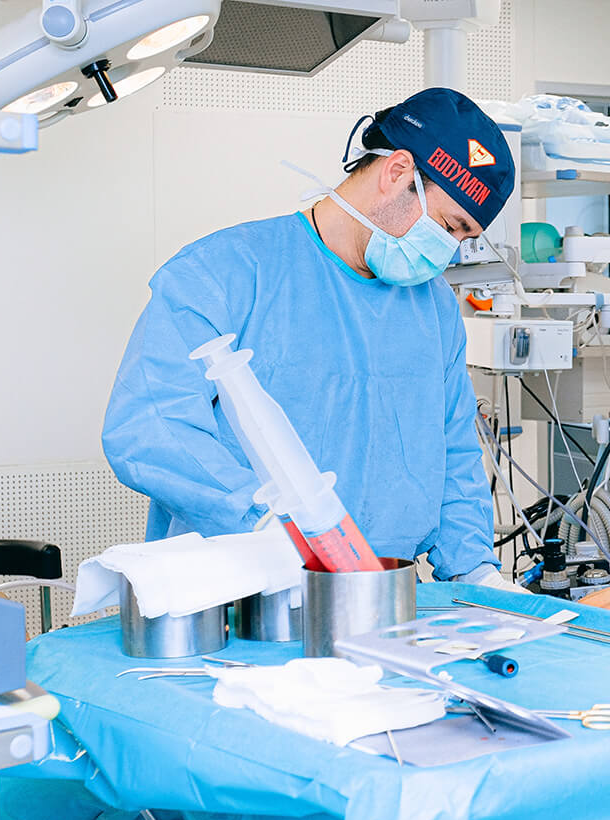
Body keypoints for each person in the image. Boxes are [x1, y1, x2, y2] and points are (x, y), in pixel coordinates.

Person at [103, 87, 515, 585]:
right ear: (398, 172)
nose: (448, 252)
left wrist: (476, 572)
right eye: (450, 227)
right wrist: (264, 530)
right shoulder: (224, 272)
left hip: (380, 594)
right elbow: (150, 432)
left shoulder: (434, 309)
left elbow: (455, 454)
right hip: (241, 592)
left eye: (465, 239)